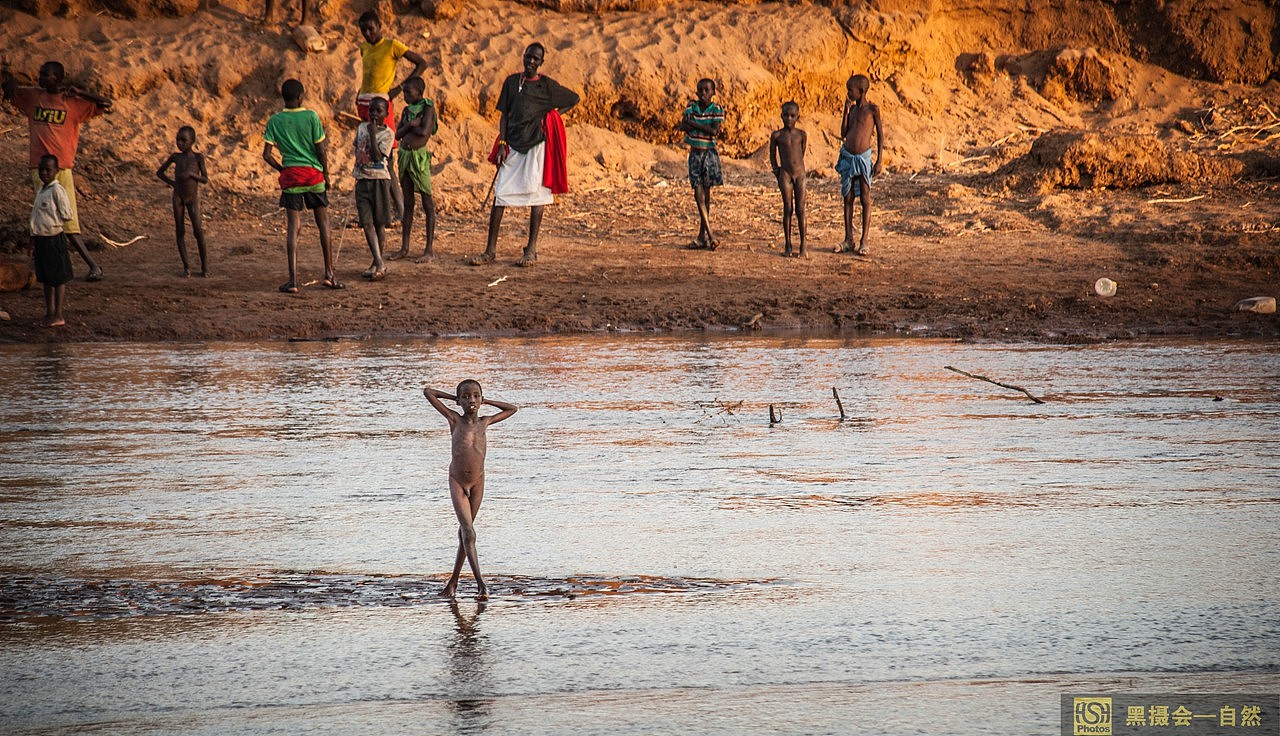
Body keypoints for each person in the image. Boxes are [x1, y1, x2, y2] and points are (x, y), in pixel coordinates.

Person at [470, 42, 579, 267]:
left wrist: (552, 117)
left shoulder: (546, 85)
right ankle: (490, 251)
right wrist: (502, 143)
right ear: (523, 56)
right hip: (513, 142)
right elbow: (504, 116)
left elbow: (573, 99)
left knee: (537, 195)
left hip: (537, 145)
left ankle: (531, 249)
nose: (530, 61)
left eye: (535, 59)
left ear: (541, 62)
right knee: (500, 195)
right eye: (528, 56)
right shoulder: (511, 82)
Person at [3, 60, 110, 281]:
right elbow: (9, 90)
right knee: (44, 218)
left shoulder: (72, 102)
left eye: (46, 75)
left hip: (62, 168)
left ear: (58, 78)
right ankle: (45, 266)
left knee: (68, 220)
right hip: (39, 168)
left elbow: (106, 103)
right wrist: (9, 83)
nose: (41, 78)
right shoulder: (33, 96)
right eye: (41, 74)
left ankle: (93, 265)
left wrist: (80, 92)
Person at [422, 380, 519, 600]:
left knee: (466, 534)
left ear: (481, 398)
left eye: (476, 396)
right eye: (466, 397)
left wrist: (487, 401)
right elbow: (429, 392)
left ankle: (453, 583)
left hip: (478, 482)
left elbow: (512, 409)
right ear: (460, 401)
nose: (471, 400)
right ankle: (481, 585)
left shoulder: (485, 422)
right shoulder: (454, 419)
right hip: (457, 481)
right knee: (469, 532)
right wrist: (454, 399)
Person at [262, 78, 341, 293]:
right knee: (323, 222)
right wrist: (326, 174)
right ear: (300, 97)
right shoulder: (311, 116)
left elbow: (266, 155)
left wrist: (282, 169)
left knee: (293, 226)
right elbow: (321, 150)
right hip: (313, 175)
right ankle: (329, 274)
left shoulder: (275, 121)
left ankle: (293, 281)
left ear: (284, 98)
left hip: (291, 177)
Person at [356, 10, 428, 223]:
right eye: (363, 30)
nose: (367, 34)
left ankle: (401, 210)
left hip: (381, 104)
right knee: (367, 156)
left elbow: (421, 63)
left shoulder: (392, 45)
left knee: (385, 158)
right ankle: (378, 210)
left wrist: (400, 88)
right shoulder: (364, 48)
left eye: (371, 29)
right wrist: (359, 95)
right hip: (364, 103)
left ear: (380, 26)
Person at [836, 73, 883, 256]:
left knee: (865, 197)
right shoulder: (853, 110)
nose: (848, 94)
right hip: (848, 157)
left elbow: (880, 135)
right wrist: (846, 111)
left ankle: (864, 240)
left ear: (861, 91)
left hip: (863, 158)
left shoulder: (872, 110)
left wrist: (879, 160)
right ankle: (848, 239)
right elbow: (843, 133)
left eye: (851, 90)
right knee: (848, 197)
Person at [392, 76, 438, 263]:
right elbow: (397, 134)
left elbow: (425, 131)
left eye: (408, 92)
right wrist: (412, 124)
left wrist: (409, 127)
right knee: (408, 202)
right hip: (405, 156)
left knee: (427, 203)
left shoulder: (428, 108)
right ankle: (404, 247)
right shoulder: (406, 111)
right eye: (404, 92)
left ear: (419, 92)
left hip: (419, 158)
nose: (405, 96)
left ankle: (429, 250)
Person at [156, 125, 210, 277]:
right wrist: (173, 184)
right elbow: (160, 172)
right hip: (178, 197)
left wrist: (191, 175)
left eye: (183, 140)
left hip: (192, 197)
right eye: (178, 140)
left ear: (192, 141)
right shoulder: (176, 157)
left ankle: (205, 267)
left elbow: (205, 179)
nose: (179, 143)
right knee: (180, 231)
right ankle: (187, 267)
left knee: (198, 231)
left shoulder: (198, 158)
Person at [679, 78, 725, 251]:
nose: (703, 93)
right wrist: (694, 125)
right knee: (699, 195)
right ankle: (710, 235)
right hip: (695, 154)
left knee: (706, 195)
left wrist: (693, 123)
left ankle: (702, 237)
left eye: (707, 90)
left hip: (708, 154)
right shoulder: (692, 106)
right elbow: (682, 126)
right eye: (701, 90)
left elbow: (714, 131)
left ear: (713, 92)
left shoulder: (716, 109)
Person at [29, 154, 75, 327]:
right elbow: (36, 217)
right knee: (46, 278)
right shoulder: (42, 190)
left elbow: (67, 214)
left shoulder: (57, 190)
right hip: (41, 240)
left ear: (56, 171)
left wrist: (52, 223)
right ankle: (49, 312)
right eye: (41, 170)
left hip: (54, 239)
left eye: (48, 170)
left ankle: (58, 314)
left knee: (58, 279)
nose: (44, 173)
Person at [353, 96, 394, 281]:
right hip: (362, 180)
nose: (374, 114)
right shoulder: (362, 127)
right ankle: (379, 262)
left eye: (379, 111)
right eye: (372, 110)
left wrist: (372, 133)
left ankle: (377, 262)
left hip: (379, 181)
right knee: (366, 222)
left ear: (386, 114)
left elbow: (378, 157)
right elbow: (357, 147)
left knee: (379, 223)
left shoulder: (388, 134)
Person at [768, 101, 808, 258]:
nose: (789, 119)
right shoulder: (777, 136)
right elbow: (772, 155)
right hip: (785, 174)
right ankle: (788, 245)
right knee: (788, 208)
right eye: (786, 115)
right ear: (781, 116)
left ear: (798, 117)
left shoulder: (801, 134)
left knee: (800, 209)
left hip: (800, 174)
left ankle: (803, 245)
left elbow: (801, 152)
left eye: (792, 116)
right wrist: (776, 171)